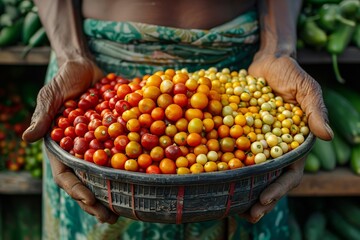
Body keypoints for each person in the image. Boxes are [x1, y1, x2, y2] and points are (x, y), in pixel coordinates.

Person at [22, 0, 334, 239]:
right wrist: (71, 54)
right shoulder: (102, 118)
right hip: (94, 72)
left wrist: (277, 49)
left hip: (244, 68)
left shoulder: (247, 122)